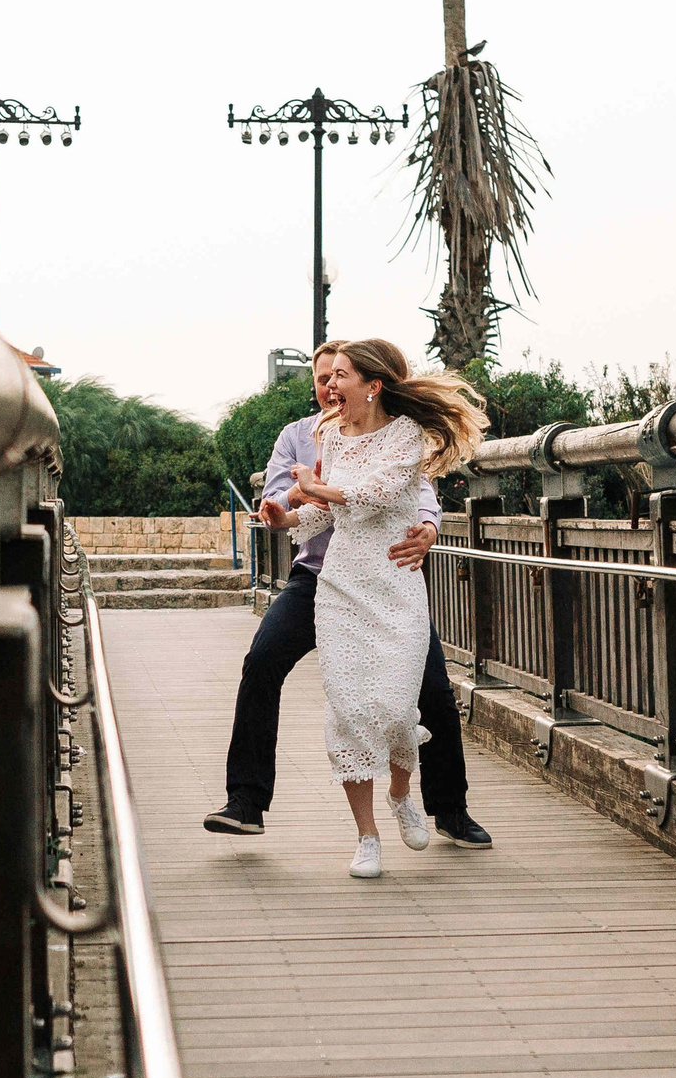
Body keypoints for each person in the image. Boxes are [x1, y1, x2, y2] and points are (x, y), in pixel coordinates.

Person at [205, 342, 494, 851]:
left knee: (432, 691)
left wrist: (428, 527)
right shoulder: (301, 435)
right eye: (322, 378)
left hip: (385, 580)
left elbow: (416, 489)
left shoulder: (397, 432)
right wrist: (286, 505)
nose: (329, 386)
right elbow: (280, 495)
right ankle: (246, 803)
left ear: (368, 382)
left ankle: (449, 810)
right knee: (262, 661)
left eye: (338, 376)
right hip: (319, 576)